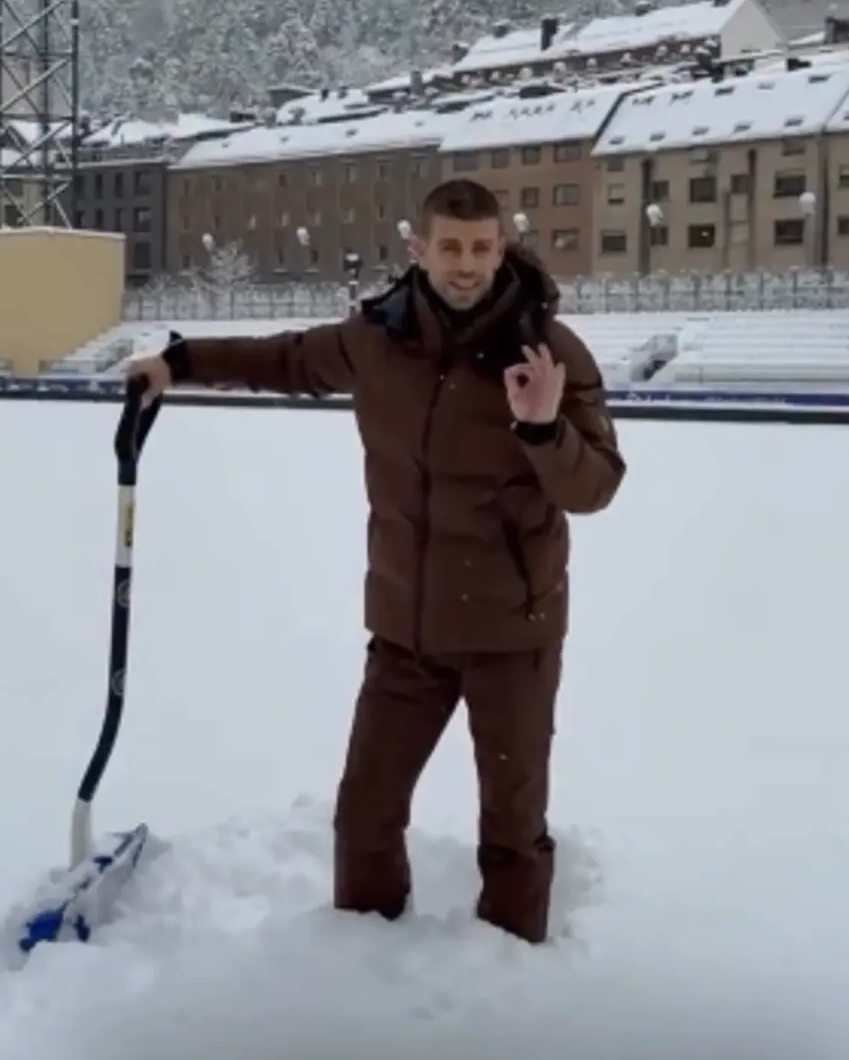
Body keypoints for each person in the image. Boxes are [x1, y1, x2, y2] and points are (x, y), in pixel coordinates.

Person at [126, 178, 626, 944]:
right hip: (407, 631)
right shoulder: (380, 337)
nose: (466, 265)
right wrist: (179, 361)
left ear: (502, 248)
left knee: (513, 826)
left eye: (481, 248)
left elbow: (596, 487)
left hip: (512, 637)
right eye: (450, 247)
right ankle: (360, 962)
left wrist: (543, 427)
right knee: (365, 811)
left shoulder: (547, 352)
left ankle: (515, 983)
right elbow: (288, 361)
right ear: (418, 248)